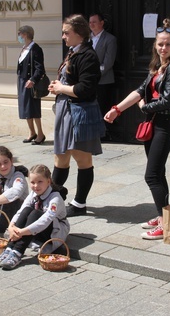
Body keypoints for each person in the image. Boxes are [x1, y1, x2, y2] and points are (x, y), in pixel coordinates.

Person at [104, 18, 170, 240]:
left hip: (165, 124)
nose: (163, 47)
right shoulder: (156, 69)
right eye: (160, 43)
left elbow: (168, 101)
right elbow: (139, 91)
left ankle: (164, 222)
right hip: (154, 124)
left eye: (168, 44)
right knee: (158, 173)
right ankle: (165, 216)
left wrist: (144, 107)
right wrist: (116, 109)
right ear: (155, 45)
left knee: (151, 175)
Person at [48, 14, 104, 217]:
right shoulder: (73, 52)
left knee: (82, 157)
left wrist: (62, 87)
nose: (63, 36)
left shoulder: (88, 55)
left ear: (79, 33)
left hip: (80, 112)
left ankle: (79, 203)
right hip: (67, 110)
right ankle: (51, 198)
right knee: (60, 156)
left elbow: (86, 88)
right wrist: (58, 87)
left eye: (66, 32)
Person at [0, 164, 70, 270]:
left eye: (40, 182)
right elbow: (21, 211)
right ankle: (9, 249)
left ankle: (18, 252)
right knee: (27, 210)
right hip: (34, 230)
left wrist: (22, 232)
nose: (36, 186)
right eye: (32, 182)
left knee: (35, 213)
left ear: (48, 181)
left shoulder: (55, 198)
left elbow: (45, 220)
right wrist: (11, 226)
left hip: (53, 232)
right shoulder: (33, 194)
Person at [89, 13, 117, 141]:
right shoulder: (86, 39)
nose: (91, 24)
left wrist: (94, 74)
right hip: (88, 80)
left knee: (101, 106)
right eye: (90, 22)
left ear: (101, 23)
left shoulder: (109, 39)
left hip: (103, 80)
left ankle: (102, 133)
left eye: (94, 22)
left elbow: (108, 62)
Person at [16, 25, 46, 145]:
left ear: (26, 34)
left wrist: (33, 79)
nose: (19, 37)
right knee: (25, 109)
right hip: (22, 81)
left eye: (20, 34)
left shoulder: (36, 49)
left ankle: (40, 134)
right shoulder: (24, 48)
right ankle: (31, 132)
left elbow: (40, 68)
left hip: (31, 83)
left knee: (33, 109)